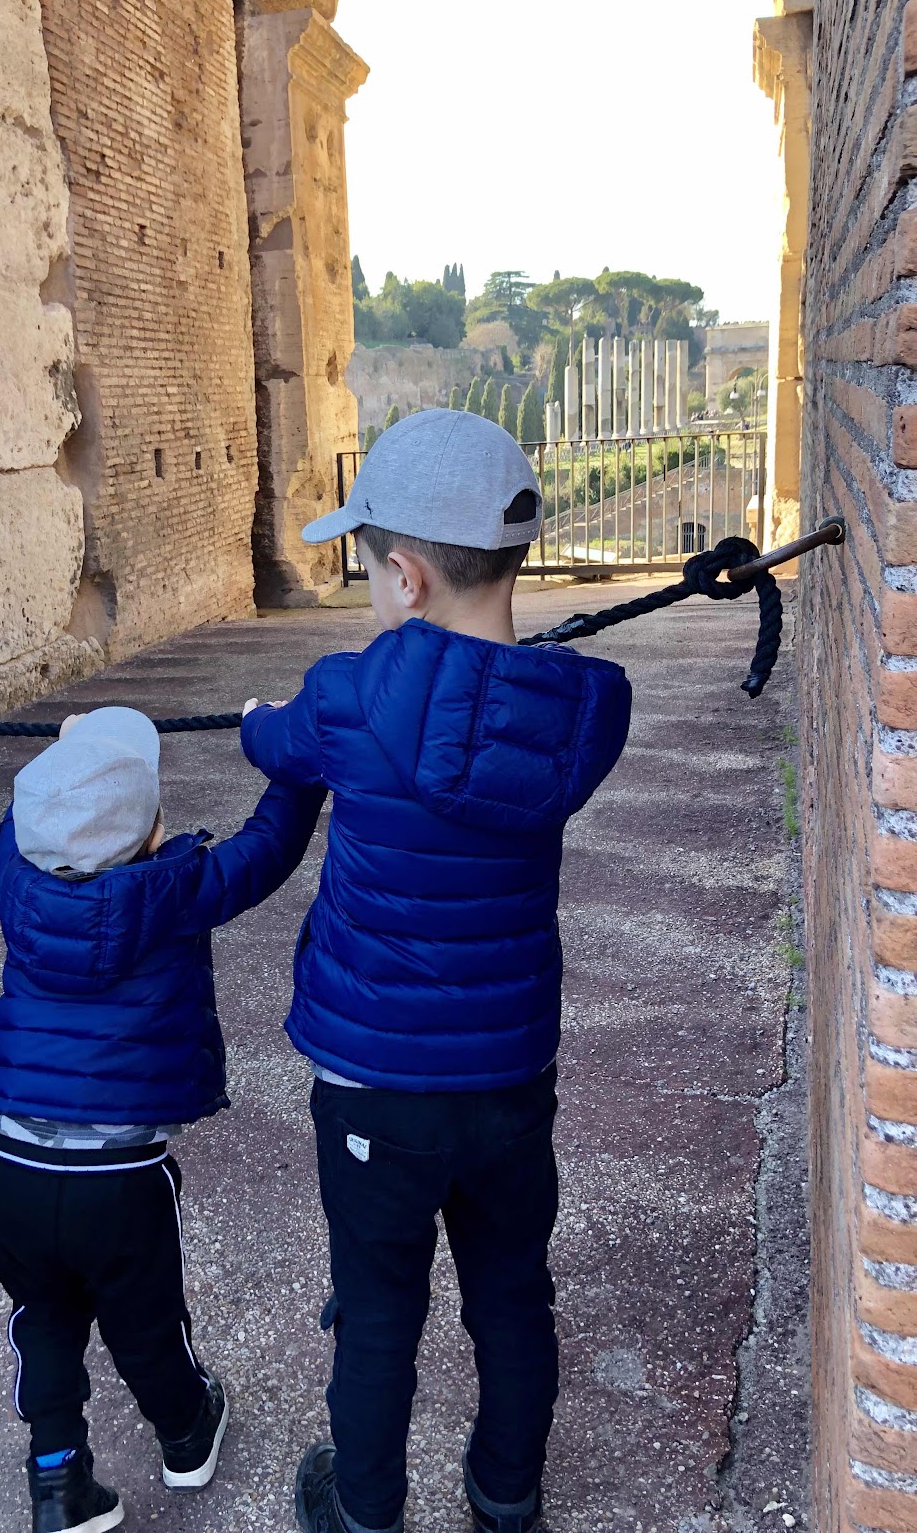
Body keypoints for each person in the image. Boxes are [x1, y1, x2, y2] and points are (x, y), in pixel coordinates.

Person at [240, 410, 632, 1533]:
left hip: (375, 1085)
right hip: (510, 1077)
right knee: (512, 1296)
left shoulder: (344, 696)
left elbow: (274, 744)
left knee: (377, 1313)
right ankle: (506, 1496)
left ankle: (366, 1512)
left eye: (368, 567)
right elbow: (495, 694)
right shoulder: (572, 713)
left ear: (407, 577)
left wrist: (262, 721)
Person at [0, 706, 325, 1533]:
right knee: (144, 1318)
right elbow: (267, 847)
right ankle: (185, 1433)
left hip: (13, 1166)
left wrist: (72, 750)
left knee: (45, 1317)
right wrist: (297, 761)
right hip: (119, 1179)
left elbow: (37, 814)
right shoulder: (172, 889)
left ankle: (58, 1481)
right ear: (154, 831)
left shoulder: (15, 878)